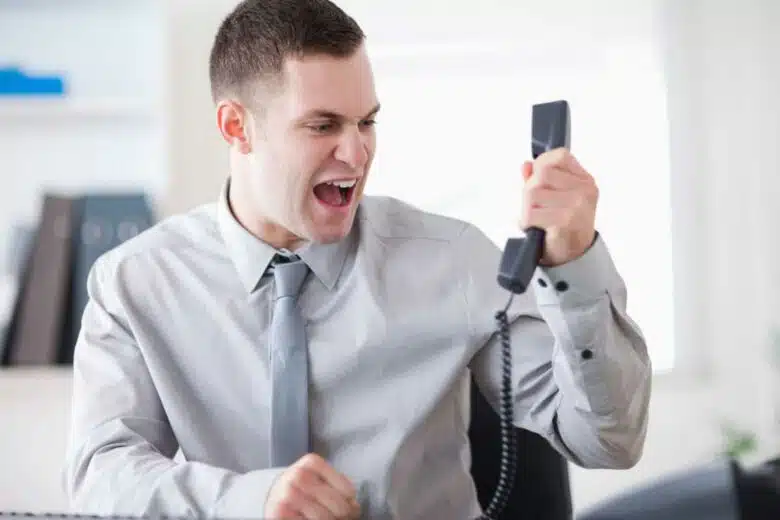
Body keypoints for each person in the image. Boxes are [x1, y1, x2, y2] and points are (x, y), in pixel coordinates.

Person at [62, 1, 652, 519]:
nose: (357, 151)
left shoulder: (454, 261)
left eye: (367, 121)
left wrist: (573, 264)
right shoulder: (135, 282)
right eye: (323, 126)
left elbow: (609, 440)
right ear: (236, 127)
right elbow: (99, 476)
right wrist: (252, 502)